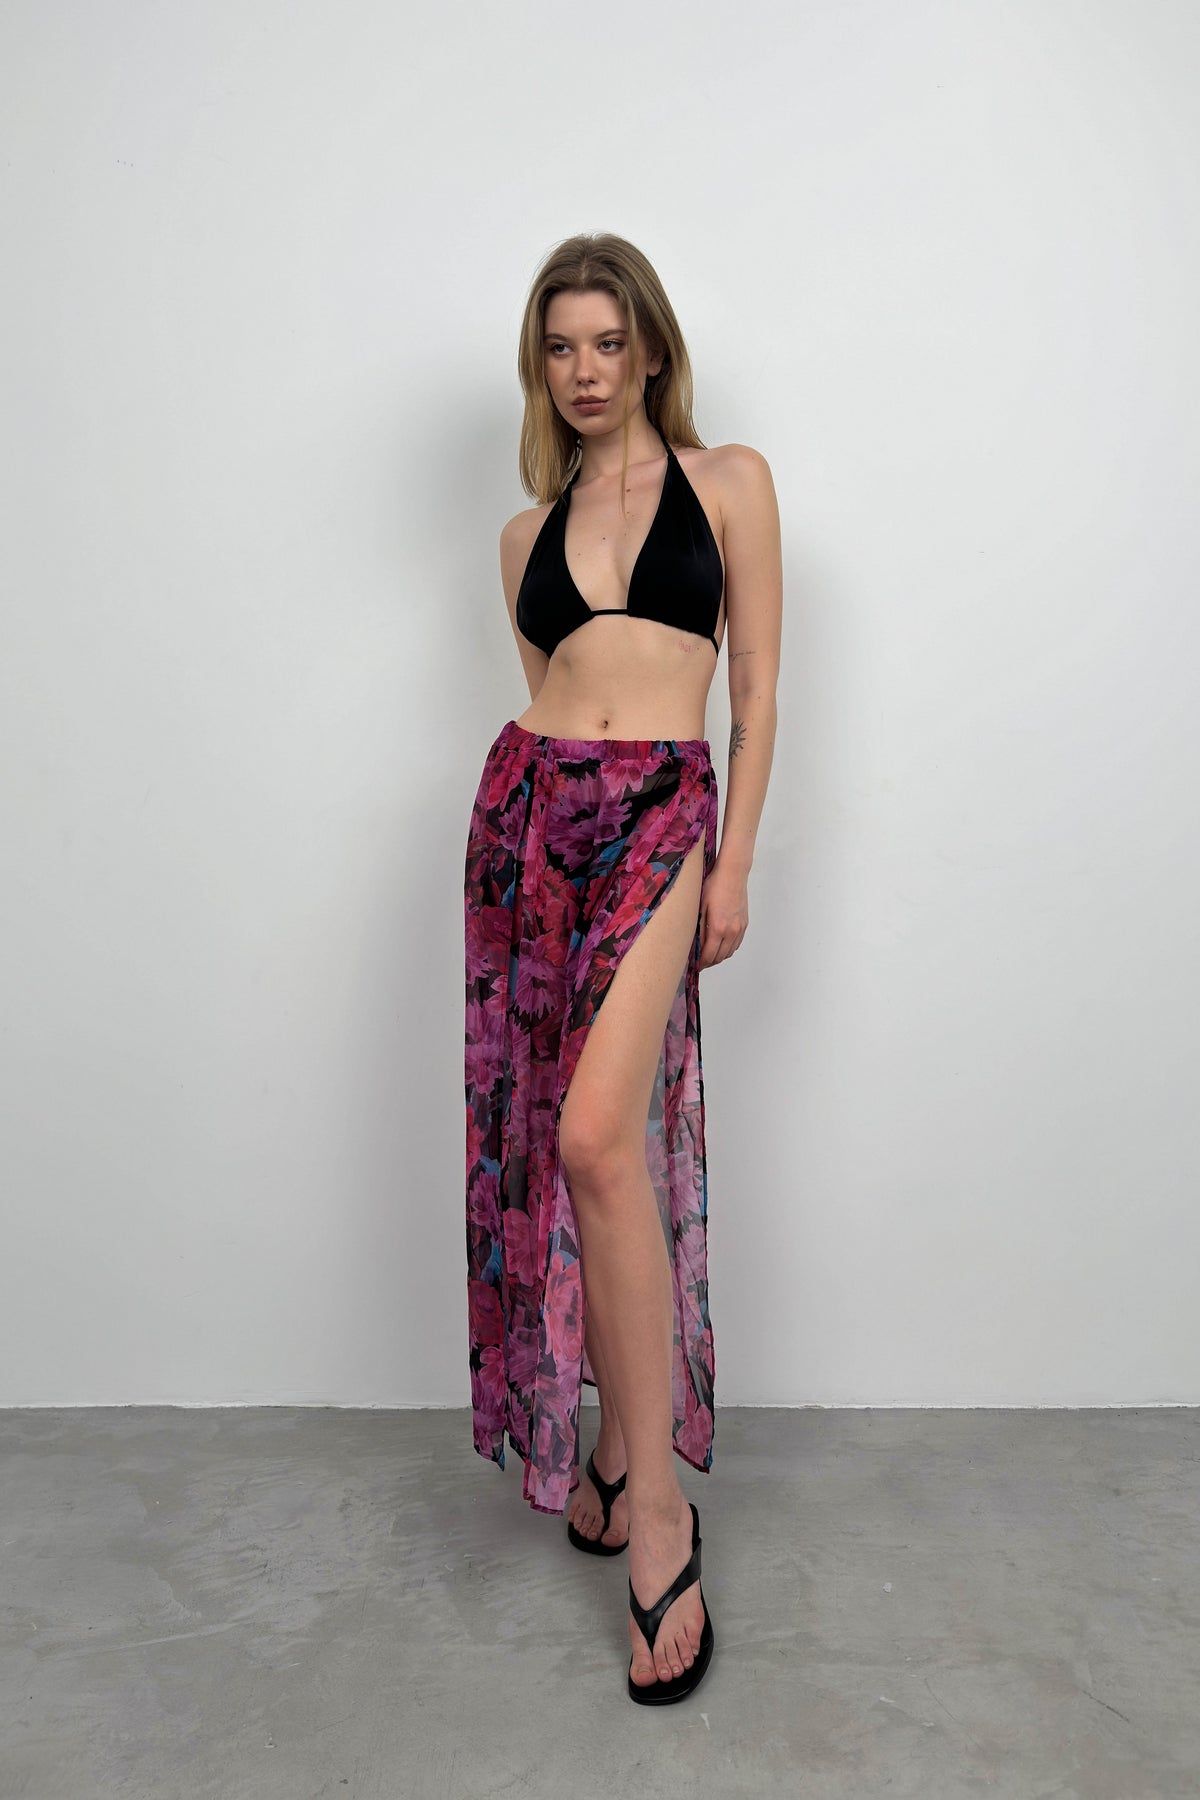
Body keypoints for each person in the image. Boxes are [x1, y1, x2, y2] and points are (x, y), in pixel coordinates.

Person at [464, 231, 781, 1704]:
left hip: (663, 810)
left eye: (607, 342)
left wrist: (734, 856)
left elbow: (754, 678)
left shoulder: (730, 484)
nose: (585, 371)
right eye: (560, 347)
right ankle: (607, 1450)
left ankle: (659, 1508)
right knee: (560, 1140)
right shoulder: (522, 538)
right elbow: (549, 697)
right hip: (533, 818)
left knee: (601, 1137)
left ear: (650, 347)